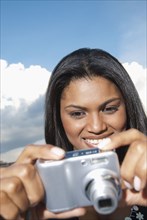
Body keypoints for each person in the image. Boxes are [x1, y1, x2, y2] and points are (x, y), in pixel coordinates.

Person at [0, 48, 146, 220]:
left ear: (128, 108)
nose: (96, 127)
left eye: (110, 109)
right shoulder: (40, 199)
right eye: (77, 113)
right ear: (58, 118)